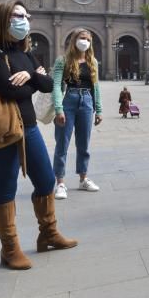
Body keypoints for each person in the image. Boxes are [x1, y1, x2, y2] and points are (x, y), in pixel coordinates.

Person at [0, 0, 77, 270]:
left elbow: (47, 84)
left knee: (45, 181)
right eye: (18, 15)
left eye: (26, 15)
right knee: (5, 188)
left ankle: (49, 234)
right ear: (2, 19)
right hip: (2, 131)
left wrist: (28, 74)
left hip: (29, 128)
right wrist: (33, 77)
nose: (24, 20)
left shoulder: (25, 53)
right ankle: (9, 248)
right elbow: (10, 91)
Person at [52, 28, 104, 200]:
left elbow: (95, 87)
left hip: (87, 102)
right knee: (62, 144)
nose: (85, 42)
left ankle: (83, 179)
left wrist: (99, 109)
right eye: (82, 38)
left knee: (84, 144)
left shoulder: (92, 61)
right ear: (74, 40)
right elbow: (57, 86)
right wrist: (58, 109)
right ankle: (60, 183)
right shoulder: (63, 60)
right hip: (69, 100)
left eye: (88, 39)